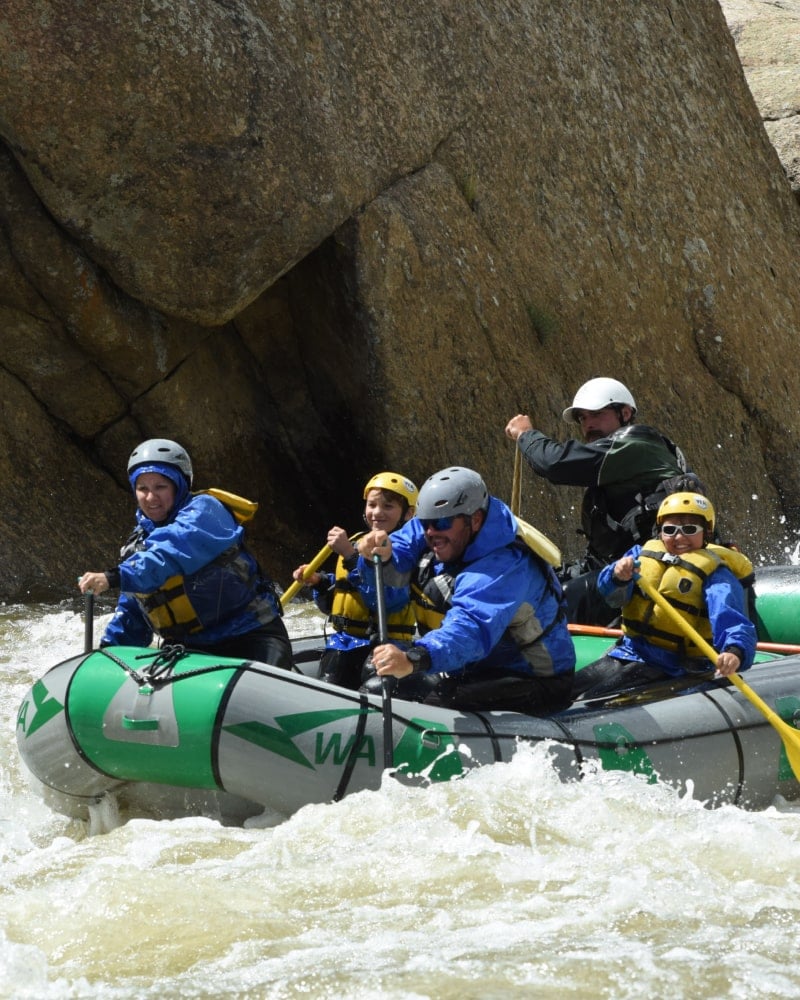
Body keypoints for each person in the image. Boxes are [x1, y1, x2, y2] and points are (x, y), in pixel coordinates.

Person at [357, 466, 576, 714]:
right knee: (373, 679)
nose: (431, 533)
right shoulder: (444, 521)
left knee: (433, 707)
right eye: (426, 523)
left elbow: (470, 628)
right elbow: (405, 542)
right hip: (476, 668)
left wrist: (414, 659)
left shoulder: (504, 566)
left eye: (439, 524)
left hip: (533, 679)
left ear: (476, 520)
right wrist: (383, 553)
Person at [78, 438, 292, 668]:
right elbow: (132, 614)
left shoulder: (206, 512)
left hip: (249, 638)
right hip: (188, 651)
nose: (151, 498)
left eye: (160, 487)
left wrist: (113, 577)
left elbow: (170, 552)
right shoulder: (137, 546)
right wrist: (107, 657)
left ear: (179, 485)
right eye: (143, 489)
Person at [504, 376, 697, 625]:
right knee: (541, 580)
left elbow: (554, 464)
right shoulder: (623, 461)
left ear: (625, 413)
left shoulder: (636, 446)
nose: (588, 425)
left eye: (596, 414)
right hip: (623, 568)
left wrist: (525, 435)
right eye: (583, 418)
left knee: (553, 604)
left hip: (654, 572)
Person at [573, 492, 757, 698]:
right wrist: (617, 575)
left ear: (706, 532)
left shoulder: (716, 575)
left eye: (689, 529)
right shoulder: (640, 555)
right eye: (670, 530)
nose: (679, 537)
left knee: (589, 700)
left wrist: (735, 652)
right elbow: (610, 595)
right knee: (565, 692)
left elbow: (732, 619)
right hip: (629, 651)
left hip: (675, 665)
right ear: (659, 532)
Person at [291, 472, 419, 689]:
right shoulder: (355, 542)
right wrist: (319, 583)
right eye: (372, 505)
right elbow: (334, 605)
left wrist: (351, 557)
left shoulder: (405, 552)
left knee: (372, 688)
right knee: (329, 685)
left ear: (408, 513)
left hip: (388, 645)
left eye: (388, 506)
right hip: (345, 642)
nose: (377, 512)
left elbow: (386, 602)